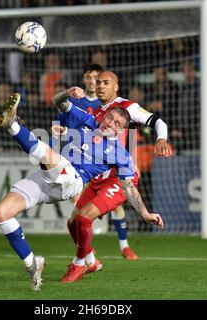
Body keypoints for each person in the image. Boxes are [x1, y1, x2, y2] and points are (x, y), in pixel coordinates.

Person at [0, 89, 164, 291]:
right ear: (105, 116)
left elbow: (129, 187)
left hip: (71, 180)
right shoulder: (88, 120)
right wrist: (68, 92)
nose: (110, 123)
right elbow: (59, 102)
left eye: (117, 124)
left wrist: (145, 213)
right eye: (110, 118)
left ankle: (12, 125)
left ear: (121, 131)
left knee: (47, 154)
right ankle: (32, 264)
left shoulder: (121, 155)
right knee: (1, 213)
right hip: (47, 178)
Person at [58, 64, 141, 260]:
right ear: (86, 79)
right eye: (89, 77)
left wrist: (132, 159)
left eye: (98, 78)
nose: (93, 82)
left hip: (103, 160)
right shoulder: (75, 100)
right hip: (76, 159)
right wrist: (61, 134)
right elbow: (63, 123)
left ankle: (124, 246)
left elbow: (125, 134)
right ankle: (87, 254)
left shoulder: (109, 106)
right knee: (76, 212)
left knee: (114, 204)